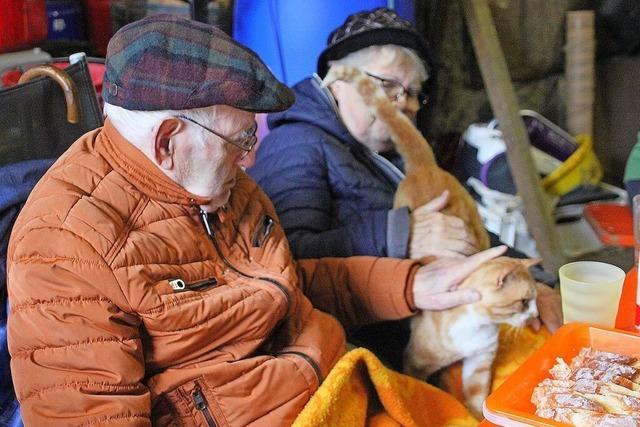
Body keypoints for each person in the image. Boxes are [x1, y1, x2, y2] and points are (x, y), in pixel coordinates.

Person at [6, 15, 506, 426]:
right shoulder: (65, 246)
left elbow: (286, 284)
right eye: (241, 141)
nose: (251, 161)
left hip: (337, 383)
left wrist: (414, 285)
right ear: (167, 143)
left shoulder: (219, 182)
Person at [248, 8, 562, 336]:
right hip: (365, 340)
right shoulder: (296, 144)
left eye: (413, 93)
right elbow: (286, 256)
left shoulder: (394, 155)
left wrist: (535, 282)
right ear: (339, 81)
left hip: (446, 323)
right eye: (388, 85)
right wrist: (398, 234)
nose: (404, 103)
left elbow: (464, 229)